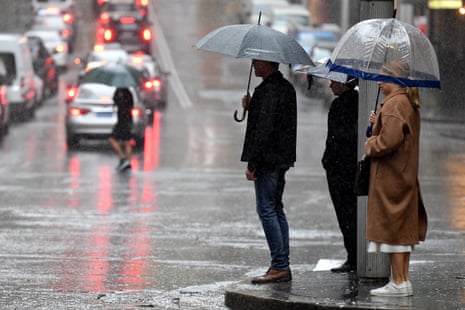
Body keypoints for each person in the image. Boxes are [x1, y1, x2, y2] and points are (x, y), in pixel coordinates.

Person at [365, 60, 427, 297]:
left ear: (395, 78)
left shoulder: (395, 104)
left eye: (383, 77)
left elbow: (388, 141)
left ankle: (399, 282)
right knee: (401, 232)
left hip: (391, 177)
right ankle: (402, 280)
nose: (379, 82)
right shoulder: (406, 102)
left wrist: (371, 142)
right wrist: (377, 122)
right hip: (403, 175)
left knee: (392, 231)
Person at [240, 59, 297, 284]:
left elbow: (264, 130)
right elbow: (278, 122)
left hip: (268, 160)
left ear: (267, 64)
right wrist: (251, 106)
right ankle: (282, 263)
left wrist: (253, 164)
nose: (253, 65)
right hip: (281, 159)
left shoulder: (268, 91)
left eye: (256, 62)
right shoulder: (285, 88)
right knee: (276, 208)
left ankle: (280, 265)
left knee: (266, 210)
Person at [321, 76, 359, 273]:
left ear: (344, 83)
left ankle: (353, 257)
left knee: (346, 214)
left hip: (340, 169)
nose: (330, 84)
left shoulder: (342, 105)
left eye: (334, 81)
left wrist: (329, 160)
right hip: (347, 167)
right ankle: (354, 255)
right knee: (351, 213)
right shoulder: (357, 103)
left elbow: (338, 138)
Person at [108, 87, 134, 172]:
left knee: (112, 139)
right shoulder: (129, 93)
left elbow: (115, 103)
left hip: (122, 121)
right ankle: (127, 162)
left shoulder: (120, 93)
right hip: (128, 119)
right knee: (126, 141)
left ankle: (123, 158)